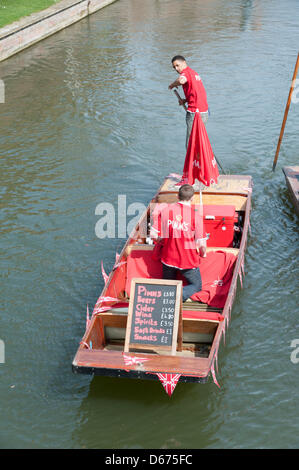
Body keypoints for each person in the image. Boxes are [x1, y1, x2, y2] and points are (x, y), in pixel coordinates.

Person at [150, 184, 207, 302]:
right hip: (188, 262)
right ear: (192, 198)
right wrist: (203, 254)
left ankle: (164, 296)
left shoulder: (166, 211)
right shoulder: (195, 216)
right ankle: (175, 297)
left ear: (177, 196)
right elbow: (201, 244)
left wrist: (162, 240)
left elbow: (153, 235)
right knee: (197, 286)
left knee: (168, 285)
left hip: (168, 259)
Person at [168, 55, 209, 148]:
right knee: (199, 142)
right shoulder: (194, 73)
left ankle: (192, 162)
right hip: (204, 112)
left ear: (184, 63)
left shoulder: (185, 73)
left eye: (177, 65)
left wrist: (172, 85)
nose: (176, 68)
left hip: (195, 113)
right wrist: (185, 100)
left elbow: (181, 80)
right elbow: (196, 93)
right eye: (174, 67)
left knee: (190, 145)